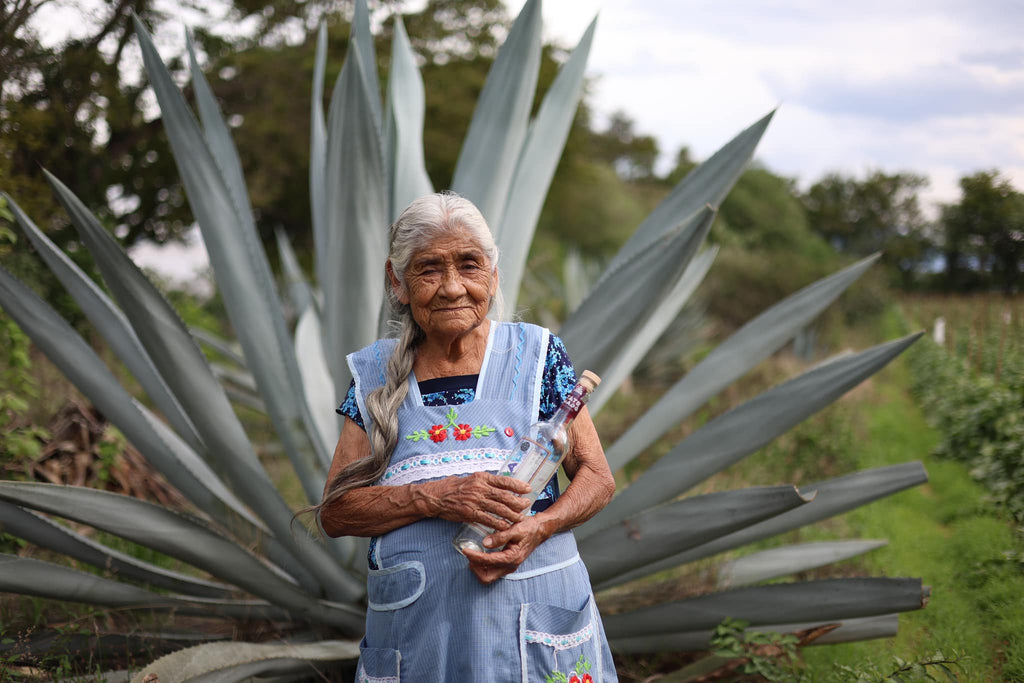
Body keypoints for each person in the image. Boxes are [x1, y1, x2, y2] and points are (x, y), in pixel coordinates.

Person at [313, 192, 618, 681]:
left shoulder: (538, 355)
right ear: (398, 283)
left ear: (493, 276)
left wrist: (538, 528)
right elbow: (335, 512)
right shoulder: (373, 374)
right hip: (422, 635)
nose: (452, 287)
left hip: (534, 621)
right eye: (429, 269)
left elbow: (598, 479)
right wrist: (435, 497)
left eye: (469, 266)